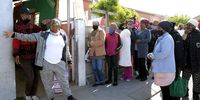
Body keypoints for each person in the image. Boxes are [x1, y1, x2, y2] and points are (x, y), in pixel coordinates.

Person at [4, 18, 76, 100]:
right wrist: (14, 35)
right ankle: (51, 98)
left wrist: (69, 60)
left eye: (56, 23)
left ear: (59, 26)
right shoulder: (43, 34)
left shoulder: (63, 35)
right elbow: (28, 37)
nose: (54, 25)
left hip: (60, 63)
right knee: (47, 84)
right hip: (46, 64)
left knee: (64, 82)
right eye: (52, 24)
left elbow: (66, 49)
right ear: (50, 26)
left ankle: (69, 96)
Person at [13, 6, 41, 100]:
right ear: (22, 15)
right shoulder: (17, 27)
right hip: (24, 57)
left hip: (35, 56)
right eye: (27, 14)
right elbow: (16, 41)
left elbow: (42, 32)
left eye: (29, 15)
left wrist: (44, 25)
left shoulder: (33, 26)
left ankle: (33, 94)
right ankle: (27, 94)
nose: (29, 16)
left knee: (36, 76)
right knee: (30, 77)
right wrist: (16, 55)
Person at [147, 21, 176, 100]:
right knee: (164, 90)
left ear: (164, 29)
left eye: (159, 27)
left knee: (165, 91)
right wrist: (152, 54)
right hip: (162, 68)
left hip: (165, 69)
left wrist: (153, 55)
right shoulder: (163, 37)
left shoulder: (167, 38)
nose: (157, 29)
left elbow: (164, 53)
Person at [183, 19, 200, 100]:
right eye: (187, 24)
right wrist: (185, 34)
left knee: (196, 84)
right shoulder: (185, 33)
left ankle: (195, 97)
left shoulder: (198, 35)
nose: (188, 26)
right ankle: (184, 94)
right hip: (186, 64)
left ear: (194, 26)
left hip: (197, 65)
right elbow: (182, 45)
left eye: (190, 25)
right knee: (184, 82)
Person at [88, 21, 106, 87]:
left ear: (98, 25)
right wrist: (89, 43)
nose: (94, 25)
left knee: (99, 68)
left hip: (100, 53)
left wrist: (93, 43)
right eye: (93, 24)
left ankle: (102, 80)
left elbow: (102, 41)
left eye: (95, 24)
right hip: (93, 53)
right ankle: (97, 81)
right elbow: (89, 40)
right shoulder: (91, 32)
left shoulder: (101, 31)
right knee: (94, 68)